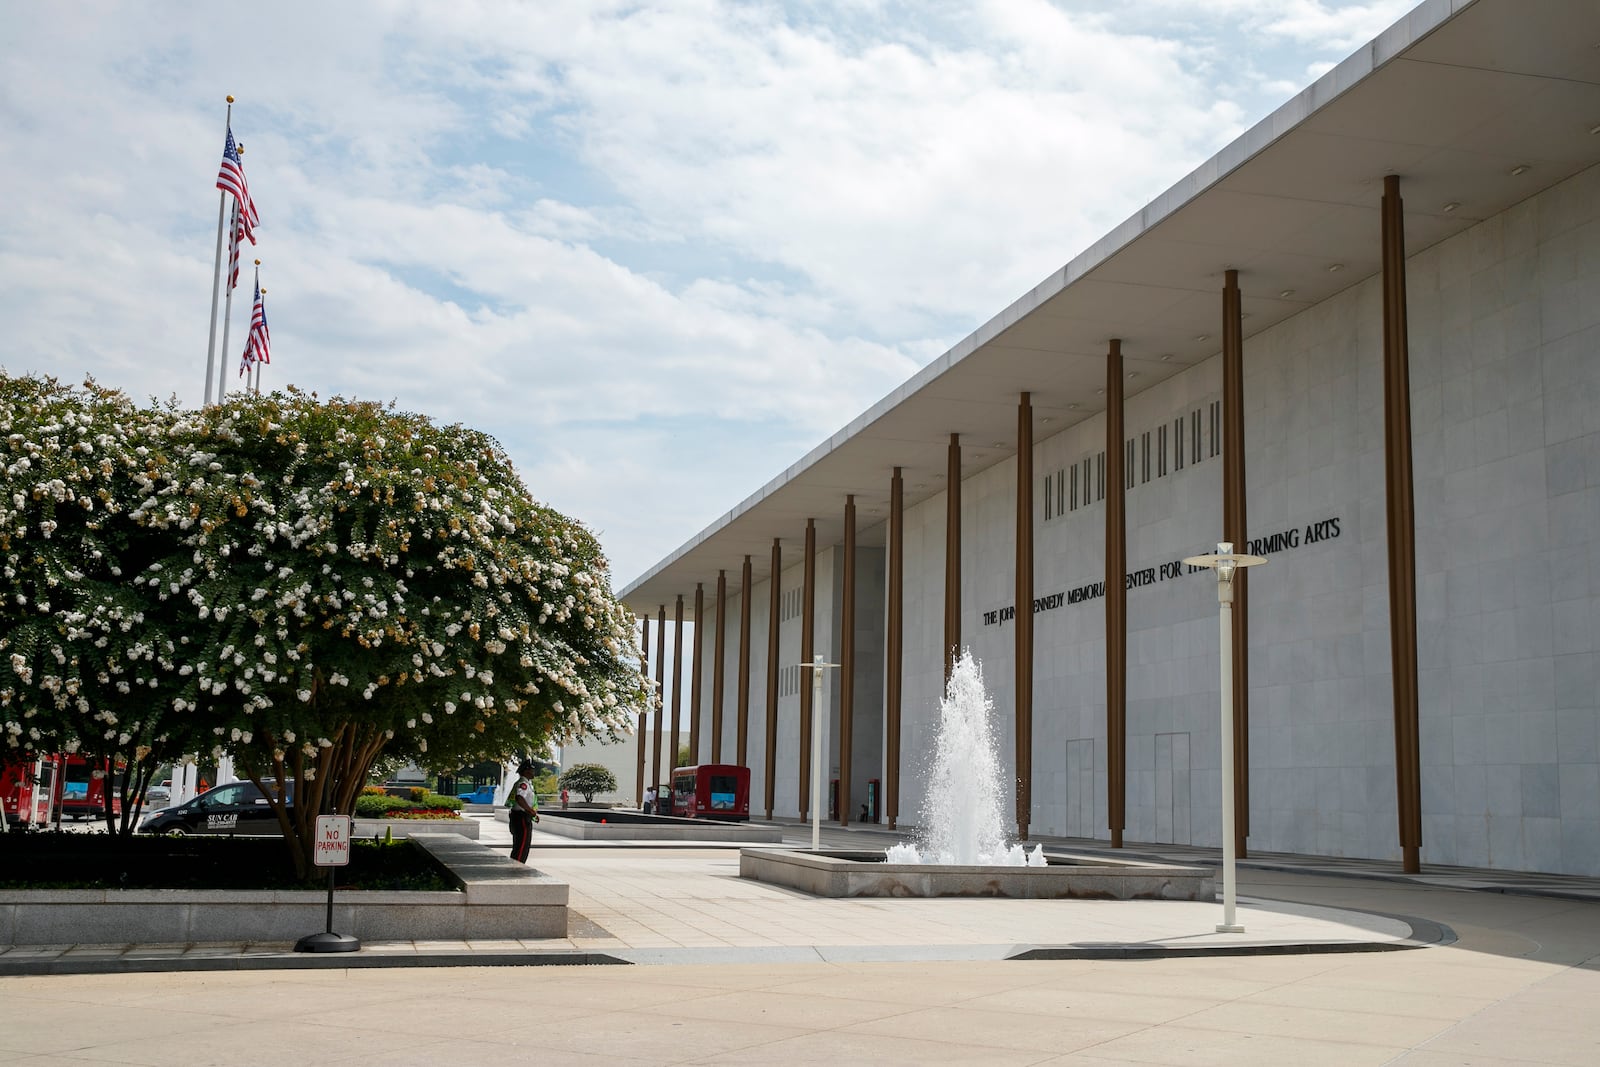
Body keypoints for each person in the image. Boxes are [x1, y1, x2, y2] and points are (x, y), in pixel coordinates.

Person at [507, 760, 540, 863]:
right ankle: (517, 868)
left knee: (520, 845)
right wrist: (530, 810)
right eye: (532, 770)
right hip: (521, 817)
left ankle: (516, 866)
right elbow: (519, 798)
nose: (533, 772)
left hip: (521, 816)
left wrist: (532, 812)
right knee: (522, 846)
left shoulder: (525, 783)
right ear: (526, 771)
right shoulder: (523, 784)